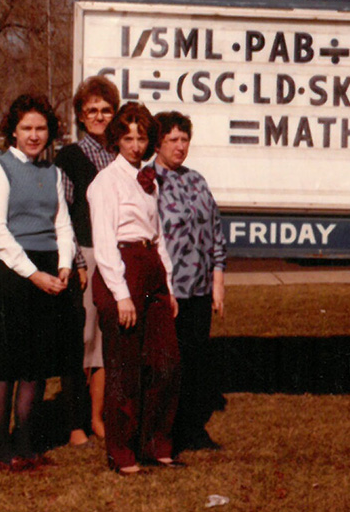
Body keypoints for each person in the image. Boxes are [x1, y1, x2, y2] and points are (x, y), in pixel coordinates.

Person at [0, 94, 77, 472]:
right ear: (12, 131)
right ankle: (3, 452)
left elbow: (62, 223)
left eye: (41, 128)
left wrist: (63, 265)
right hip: (10, 273)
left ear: (51, 132)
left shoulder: (54, 173)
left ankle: (27, 446)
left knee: (36, 365)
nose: (34, 135)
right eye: (27, 128)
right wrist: (33, 274)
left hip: (48, 269)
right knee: (5, 366)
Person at [88, 102, 183, 475]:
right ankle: (122, 452)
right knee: (124, 369)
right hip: (121, 273)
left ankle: (156, 443)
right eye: (128, 138)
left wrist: (169, 286)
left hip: (152, 271)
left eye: (141, 138)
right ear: (117, 140)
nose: (135, 145)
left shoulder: (149, 180)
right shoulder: (105, 183)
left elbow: (157, 237)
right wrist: (121, 294)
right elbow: (104, 241)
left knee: (166, 363)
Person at [150, 111, 227, 454]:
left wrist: (218, 279)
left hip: (198, 288)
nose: (180, 147)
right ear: (158, 143)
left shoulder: (196, 180)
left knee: (195, 362)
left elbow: (215, 230)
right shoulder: (147, 181)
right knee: (169, 363)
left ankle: (193, 429)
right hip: (169, 289)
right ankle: (165, 433)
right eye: (173, 140)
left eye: (185, 140)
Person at [55, 75, 120, 445]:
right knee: (80, 343)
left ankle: (98, 418)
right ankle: (75, 423)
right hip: (86, 258)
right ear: (81, 114)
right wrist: (77, 261)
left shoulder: (121, 155)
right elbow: (61, 213)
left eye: (105, 109)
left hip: (116, 258)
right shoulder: (70, 157)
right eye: (91, 110)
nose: (98, 116)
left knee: (104, 347)